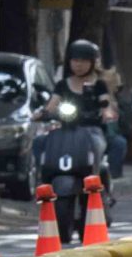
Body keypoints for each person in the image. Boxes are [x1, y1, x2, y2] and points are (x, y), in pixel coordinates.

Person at [46, 38, 125, 183]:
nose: (79, 65)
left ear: (92, 63)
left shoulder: (99, 84)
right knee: (41, 142)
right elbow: (52, 105)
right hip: (66, 130)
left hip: (92, 130)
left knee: (96, 145)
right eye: (75, 60)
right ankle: (45, 180)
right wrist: (42, 114)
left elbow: (105, 102)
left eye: (84, 61)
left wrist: (107, 111)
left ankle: (94, 181)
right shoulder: (62, 85)